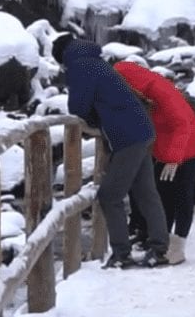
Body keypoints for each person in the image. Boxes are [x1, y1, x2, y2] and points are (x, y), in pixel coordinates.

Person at [51, 33, 169, 269]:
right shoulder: (94, 60)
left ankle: (121, 253)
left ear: (63, 57)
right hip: (142, 130)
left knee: (110, 196)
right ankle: (159, 249)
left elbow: (79, 105)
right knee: (145, 192)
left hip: (128, 136)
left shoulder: (79, 65)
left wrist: (91, 122)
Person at [114, 61, 195, 266]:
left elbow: (182, 125)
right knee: (163, 195)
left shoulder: (162, 92)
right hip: (163, 150)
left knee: (182, 196)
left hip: (187, 149)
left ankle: (177, 247)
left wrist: (174, 160)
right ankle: (161, 244)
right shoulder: (137, 95)